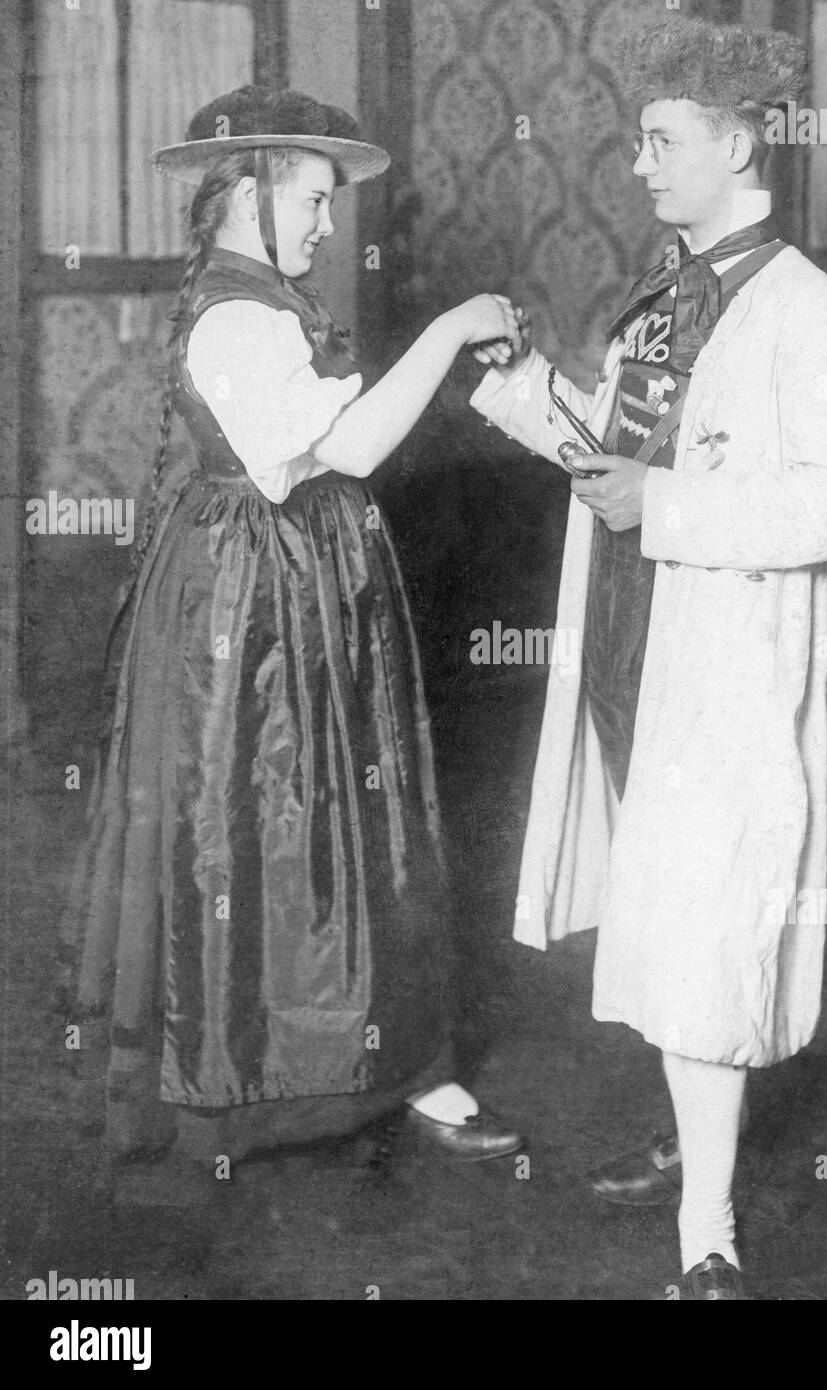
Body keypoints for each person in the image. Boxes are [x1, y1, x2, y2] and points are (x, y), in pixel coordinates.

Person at [470, 18, 827, 1298]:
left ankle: (708, 1232)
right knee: (664, 911)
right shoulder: (662, 290)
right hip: (630, 642)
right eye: (639, 137)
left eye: (662, 140)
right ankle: (693, 1138)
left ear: (738, 143)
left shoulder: (813, 314)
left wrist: (674, 511)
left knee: (709, 923)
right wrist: (528, 384)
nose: (639, 162)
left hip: (726, 656)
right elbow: (623, 460)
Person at [59, 85, 525, 1170]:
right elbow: (349, 451)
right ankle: (260, 1069)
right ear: (250, 191)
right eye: (312, 201)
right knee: (266, 808)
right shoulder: (239, 318)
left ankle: (375, 1051)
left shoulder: (257, 304)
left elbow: (333, 452)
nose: (327, 225)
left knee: (325, 807)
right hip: (251, 597)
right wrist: (455, 328)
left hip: (298, 578)